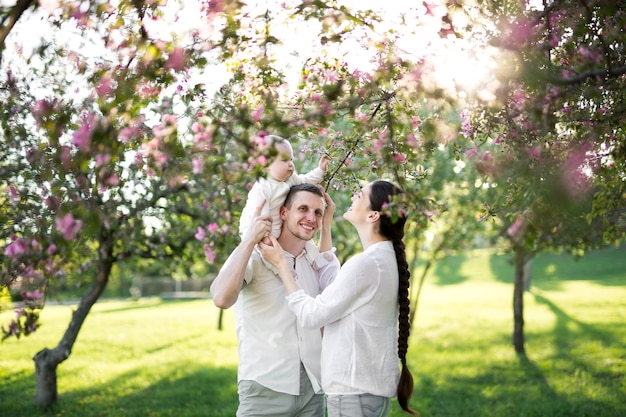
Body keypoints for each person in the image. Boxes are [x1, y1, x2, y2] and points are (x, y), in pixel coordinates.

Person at [259, 180, 419, 417]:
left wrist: (282, 265)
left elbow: (312, 315)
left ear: (374, 215)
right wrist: (326, 224)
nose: (354, 195)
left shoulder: (367, 263)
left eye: (361, 195)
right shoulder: (382, 259)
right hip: (365, 393)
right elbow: (336, 287)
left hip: (353, 394)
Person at [210, 183, 340, 417]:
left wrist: (327, 222)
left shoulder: (313, 263)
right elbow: (221, 298)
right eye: (303, 209)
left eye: (318, 212)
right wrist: (250, 239)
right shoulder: (256, 257)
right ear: (283, 212)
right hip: (265, 388)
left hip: (313, 390)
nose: (311, 218)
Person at [239, 135, 330, 265]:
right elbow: (261, 214)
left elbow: (306, 181)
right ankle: (281, 270)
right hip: (257, 228)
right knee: (265, 254)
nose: (290, 164)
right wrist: (265, 235)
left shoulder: (291, 179)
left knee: (306, 243)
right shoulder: (263, 187)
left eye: (291, 159)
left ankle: (317, 262)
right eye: (285, 160)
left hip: (277, 228)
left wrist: (320, 170)